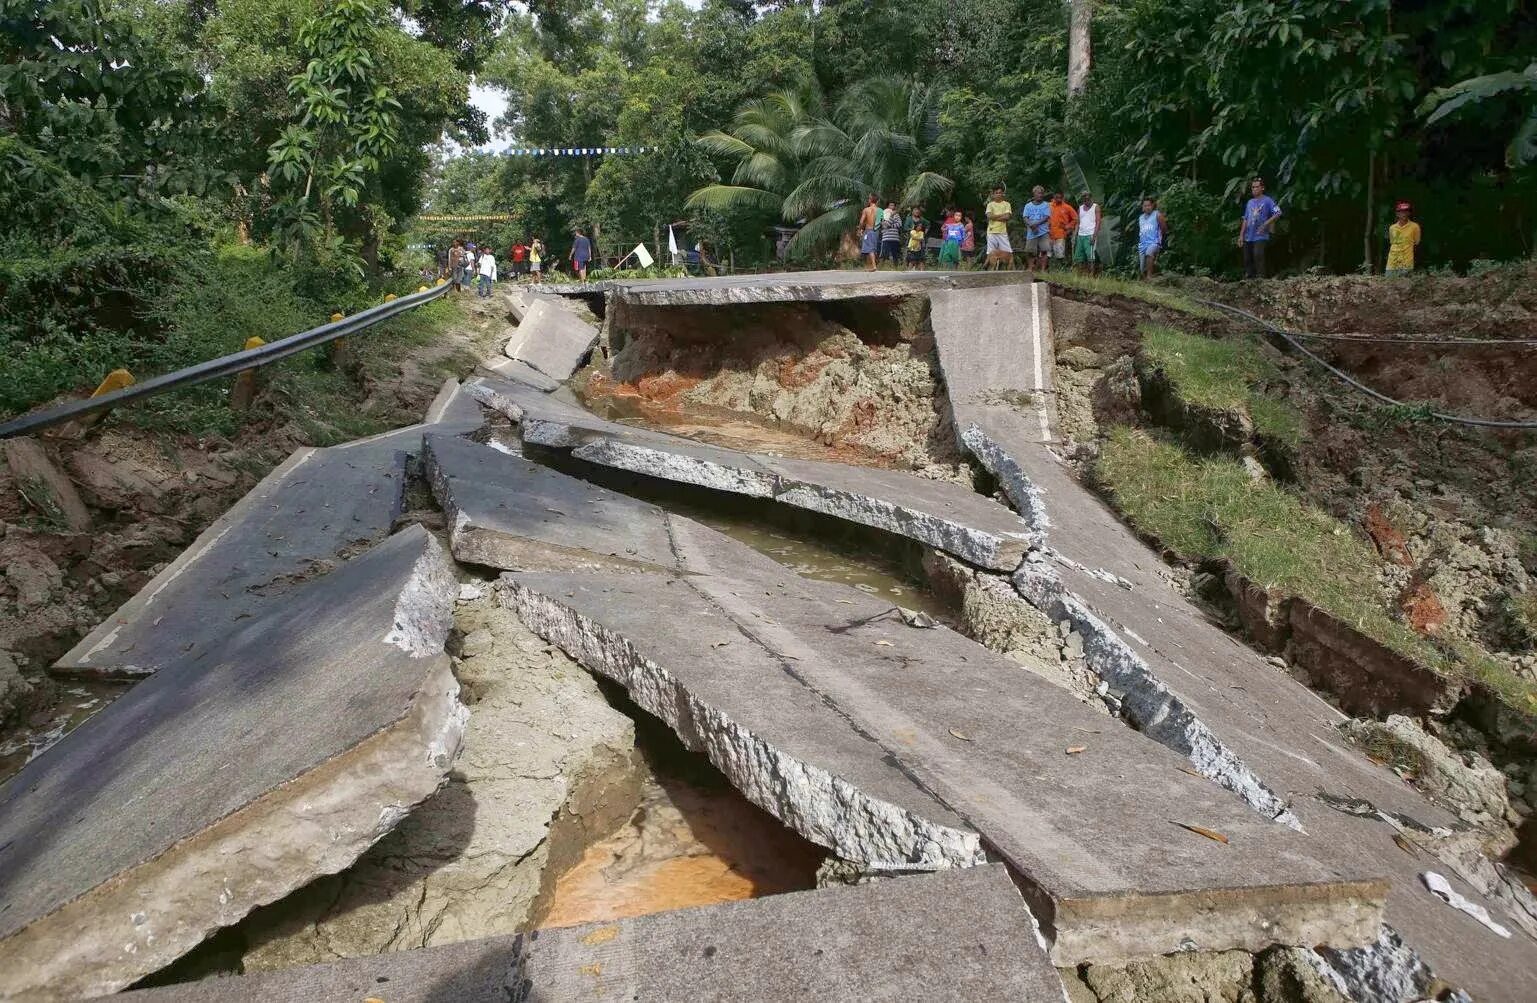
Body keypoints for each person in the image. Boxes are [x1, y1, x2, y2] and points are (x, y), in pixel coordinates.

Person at [1237, 177, 1281, 279]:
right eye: (1253, 187)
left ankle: (1261, 279)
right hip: (1249, 235)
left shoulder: (1268, 200)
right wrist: (1241, 235)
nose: (1254, 189)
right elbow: (1245, 219)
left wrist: (1265, 224)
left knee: (1258, 255)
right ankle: (1249, 279)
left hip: (1261, 235)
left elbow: (1278, 212)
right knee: (1247, 258)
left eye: (1257, 187)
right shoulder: (1250, 202)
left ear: (1262, 188)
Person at [1021, 186, 1052, 272]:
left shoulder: (1046, 205)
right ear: (1034, 194)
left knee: (1044, 250)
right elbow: (1025, 217)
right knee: (1029, 251)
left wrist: (1035, 224)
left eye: (1042, 193)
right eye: (1038, 193)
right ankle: (1030, 268)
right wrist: (1031, 225)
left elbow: (1046, 217)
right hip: (1031, 232)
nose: (1040, 195)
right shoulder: (1028, 206)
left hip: (1043, 231)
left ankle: (1043, 269)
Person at [1385, 201, 1421, 275]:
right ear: (1397, 214)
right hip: (1392, 261)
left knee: (1405, 284)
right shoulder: (1392, 228)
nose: (1404, 214)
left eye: (1406, 212)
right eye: (1401, 212)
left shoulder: (1415, 227)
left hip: (1407, 262)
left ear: (1409, 213)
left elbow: (1416, 242)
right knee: (1389, 284)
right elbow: (1392, 242)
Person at [1137, 196, 1168, 278]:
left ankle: (1149, 276)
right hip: (1142, 244)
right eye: (1145, 206)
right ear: (1142, 207)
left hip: (1154, 242)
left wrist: (1160, 239)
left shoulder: (1157, 215)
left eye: (1149, 205)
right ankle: (1152, 276)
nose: (1147, 207)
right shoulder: (1140, 218)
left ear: (1152, 206)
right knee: (1142, 269)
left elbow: (1164, 228)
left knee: (1149, 253)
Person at [984, 186, 1013, 270]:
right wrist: (1001, 215)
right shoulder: (990, 204)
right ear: (993, 194)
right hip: (991, 231)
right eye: (996, 193)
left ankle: (1007, 271)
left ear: (1003, 194)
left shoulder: (1007, 204)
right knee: (990, 253)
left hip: (1002, 231)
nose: (998, 194)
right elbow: (989, 216)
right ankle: (988, 271)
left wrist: (994, 217)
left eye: (1000, 192)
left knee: (1008, 252)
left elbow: (1007, 217)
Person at [1048, 191, 1078, 271]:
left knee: (1060, 254)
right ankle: (1047, 270)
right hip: (1048, 233)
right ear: (1054, 197)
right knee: (1047, 253)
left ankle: (1060, 270)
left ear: (1062, 198)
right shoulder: (1048, 206)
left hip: (1061, 234)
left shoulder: (1067, 207)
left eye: (1060, 198)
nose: (1058, 199)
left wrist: (1068, 226)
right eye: (1056, 197)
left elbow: (1076, 218)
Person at [1073, 191, 1100, 275]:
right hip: (1081, 235)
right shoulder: (1080, 208)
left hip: (1090, 234)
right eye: (1084, 199)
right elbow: (1078, 223)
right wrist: (1074, 235)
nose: (1086, 201)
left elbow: (1098, 222)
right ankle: (1079, 275)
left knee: (1090, 257)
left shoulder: (1096, 207)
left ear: (1091, 198)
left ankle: (1091, 275)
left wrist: (1094, 236)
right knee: (1079, 257)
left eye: (1087, 198)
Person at [858, 194, 881, 271]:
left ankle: (874, 266)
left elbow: (861, 222)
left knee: (870, 248)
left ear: (870, 200)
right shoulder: (879, 210)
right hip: (876, 231)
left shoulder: (866, 210)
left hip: (869, 230)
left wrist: (860, 229)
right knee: (872, 247)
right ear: (877, 201)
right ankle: (870, 266)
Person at [880, 201, 902, 267]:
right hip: (886, 237)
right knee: (884, 254)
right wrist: (891, 216)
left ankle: (896, 268)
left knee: (895, 254)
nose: (892, 207)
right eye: (890, 205)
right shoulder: (884, 214)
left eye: (893, 205)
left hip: (895, 238)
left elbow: (900, 224)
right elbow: (885, 225)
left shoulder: (897, 215)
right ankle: (880, 268)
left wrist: (891, 226)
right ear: (888, 206)